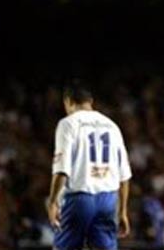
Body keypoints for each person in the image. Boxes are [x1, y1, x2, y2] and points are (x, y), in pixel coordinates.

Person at [46, 85, 132, 250]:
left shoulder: (68, 124)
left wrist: (53, 202)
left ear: (67, 101)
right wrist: (122, 212)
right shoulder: (112, 126)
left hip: (79, 198)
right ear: (91, 102)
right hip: (108, 200)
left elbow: (62, 169)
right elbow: (124, 176)